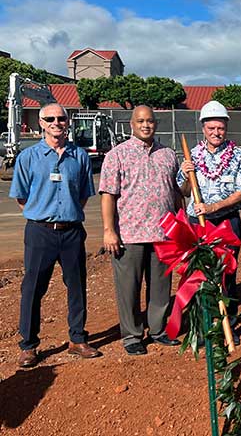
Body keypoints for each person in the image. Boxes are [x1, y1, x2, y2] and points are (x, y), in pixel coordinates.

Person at [10, 103, 100, 367]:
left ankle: (77, 339)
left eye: (61, 118)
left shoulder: (80, 157)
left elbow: (83, 194)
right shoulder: (28, 158)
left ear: (68, 122)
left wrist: (67, 216)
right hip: (40, 233)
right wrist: (43, 215)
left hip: (72, 232)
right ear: (41, 122)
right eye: (50, 118)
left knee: (77, 286)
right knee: (33, 288)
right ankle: (28, 345)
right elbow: (21, 197)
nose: (56, 122)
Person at [100, 105, 181, 356]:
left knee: (160, 287)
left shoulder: (168, 154)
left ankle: (157, 329)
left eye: (150, 121)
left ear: (156, 124)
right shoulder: (117, 155)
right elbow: (108, 196)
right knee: (129, 288)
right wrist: (108, 230)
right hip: (130, 234)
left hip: (163, 234)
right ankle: (132, 335)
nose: (146, 125)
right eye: (140, 121)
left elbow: (177, 193)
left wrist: (180, 225)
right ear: (132, 124)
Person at [178, 100, 241, 344]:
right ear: (203, 128)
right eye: (211, 128)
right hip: (198, 223)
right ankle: (204, 326)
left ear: (226, 128)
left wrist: (213, 207)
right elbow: (183, 191)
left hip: (226, 222)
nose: (216, 133)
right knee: (200, 275)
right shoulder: (192, 155)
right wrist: (186, 174)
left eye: (220, 128)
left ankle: (229, 325)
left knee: (227, 274)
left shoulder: (239, 156)